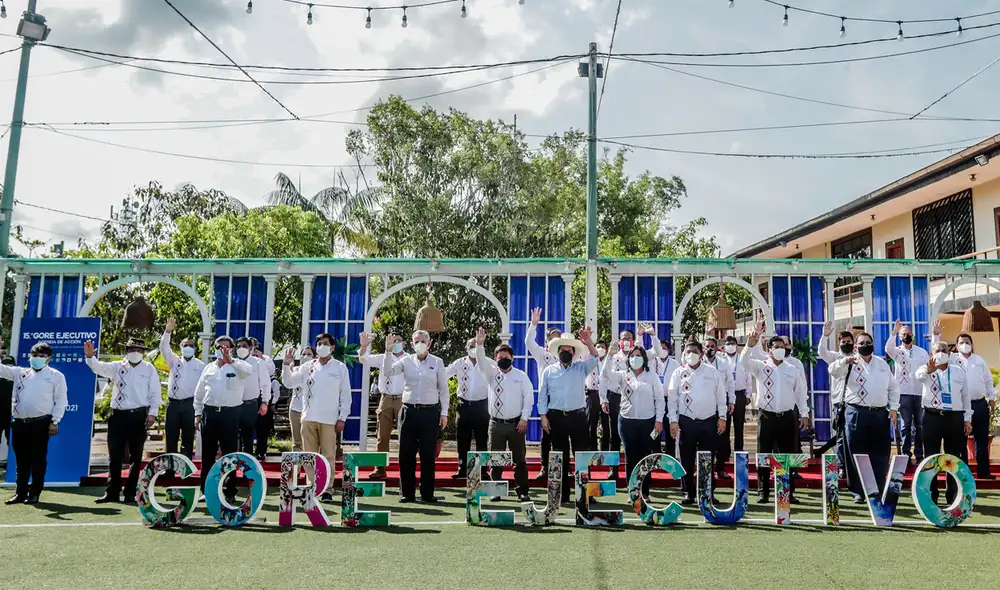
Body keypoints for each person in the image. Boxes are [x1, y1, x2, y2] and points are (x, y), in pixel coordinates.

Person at [85, 338, 161, 504]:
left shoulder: (149, 369)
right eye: (132, 348)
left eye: (139, 349)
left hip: (139, 415)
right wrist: (90, 357)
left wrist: (152, 414)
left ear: (143, 352)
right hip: (118, 415)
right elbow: (98, 367)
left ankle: (130, 492)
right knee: (115, 455)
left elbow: (155, 393)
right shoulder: (117, 366)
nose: (136, 352)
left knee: (136, 456)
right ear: (126, 350)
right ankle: (112, 491)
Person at [829, 332, 900, 504]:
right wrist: (845, 361)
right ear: (855, 346)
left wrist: (894, 408)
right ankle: (858, 492)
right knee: (855, 453)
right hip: (856, 412)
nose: (865, 345)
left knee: (880, 453)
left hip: (880, 413)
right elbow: (832, 370)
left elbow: (893, 387)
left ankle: (877, 489)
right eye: (861, 343)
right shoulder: (849, 362)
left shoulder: (882, 364)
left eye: (868, 342)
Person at [741, 328, 809, 504]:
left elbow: (801, 393)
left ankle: (787, 490)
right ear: (769, 349)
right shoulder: (761, 366)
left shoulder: (792, 369)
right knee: (764, 454)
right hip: (766, 416)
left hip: (787, 416)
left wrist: (804, 413)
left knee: (788, 454)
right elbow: (743, 362)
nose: (779, 349)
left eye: (782, 346)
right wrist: (749, 345)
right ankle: (763, 492)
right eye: (775, 346)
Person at [282, 333, 352, 503]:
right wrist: (286, 365)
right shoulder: (308, 367)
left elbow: (346, 395)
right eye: (319, 343)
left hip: (329, 420)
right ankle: (314, 486)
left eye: (325, 343)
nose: (322, 346)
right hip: (308, 418)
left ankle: (327, 489)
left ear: (332, 347)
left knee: (328, 455)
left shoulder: (340, 368)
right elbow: (289, 383)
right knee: (309, 456)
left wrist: (342, 417)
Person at [382, 330, 449, 503]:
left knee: (428, 455)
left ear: (429, 343)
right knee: (406, 454)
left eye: (422, 341)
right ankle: (407, 493)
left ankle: (427, 493)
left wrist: (444, 413)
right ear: (411, 344)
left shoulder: (437, 362)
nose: (419, 344)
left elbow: (444, 390)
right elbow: (388, 372)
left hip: (430, 412)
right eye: (416, 341)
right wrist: (388, 352)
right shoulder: (406, 361)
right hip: (408, 412)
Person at [537, 326, 599, 503]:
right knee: (560, 456)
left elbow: (595, 357)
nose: (566, 352)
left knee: (581, 456)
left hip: (578, 417)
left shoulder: (581, 368)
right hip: (557, 417)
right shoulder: (549, 371)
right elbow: (542, 395)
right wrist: (543, 417)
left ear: (573, 352)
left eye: (569, 350)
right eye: (563, 349)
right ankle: (563, 494)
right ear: (558, 351)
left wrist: (588, 341)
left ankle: (586, 493)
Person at [0, 341, 66, 504]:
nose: (36, 358)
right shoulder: (20, 373)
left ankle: (35, 492)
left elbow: (61, 400)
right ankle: (20, 492)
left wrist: (55, 421)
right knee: (21, 459)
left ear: (48, 359)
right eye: (34, 355)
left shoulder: (55, 376)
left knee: (37, 459)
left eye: (41, 356)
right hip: (20, 422)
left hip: (41, 423)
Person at [473, 327, 534, 502]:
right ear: (495, 359)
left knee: (519, 460)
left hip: (516, 424)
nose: (503, 361)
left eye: (507, 358)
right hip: (496, 424)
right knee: (496, 459)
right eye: (500, 358)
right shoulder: (490, 374)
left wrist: (524, 419)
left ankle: (522, 491)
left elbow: (528, 399)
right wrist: (480, 344)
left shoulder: (521, 376)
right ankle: (496, 490)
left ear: (512, 358)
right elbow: (481, 361)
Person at [194, 336, 253, 503]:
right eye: (220, 347)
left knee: (230, 455)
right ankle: (207, 490)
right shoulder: (208, 368)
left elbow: (247, 371)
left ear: (232, 349)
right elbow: (199, 394)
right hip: (209, 413)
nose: (223, 349)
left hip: (230, 414)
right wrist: (198, 414)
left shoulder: (239, 366)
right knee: (208, 454)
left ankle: (229, 491)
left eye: (227, 347)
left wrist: (231, 360)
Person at [602, 340, 664, 497]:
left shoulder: (652, 377)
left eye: (638, 356)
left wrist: (659, 420)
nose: (635, 358)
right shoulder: (623, 375)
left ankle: (645, 492)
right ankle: (633, 493)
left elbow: (659, 399)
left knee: (646, 457)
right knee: (630, 457)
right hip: (626, 421)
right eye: (632, 356)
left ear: (644, 358)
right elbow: (606, 374)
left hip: (648, 422)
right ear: (628, 359)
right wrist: (609, 355)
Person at [932, 326, 996, 480]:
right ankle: (963, 473)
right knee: (960, 441)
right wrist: (936, 336)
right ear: (956, 345)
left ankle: (984, 471)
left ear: (972, 344)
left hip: (979, 404)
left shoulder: (979, 360)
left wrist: (992, 396)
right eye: (961, 342)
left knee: (981, 439)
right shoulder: (952, 359)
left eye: (967, 342)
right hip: (960, 406)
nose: (964, 344)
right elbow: (937, 353)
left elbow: (988, 380)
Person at [667, 341, 726, 505]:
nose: (690, 354)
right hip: (686, 422)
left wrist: (722, 417)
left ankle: (708, 492)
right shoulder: (678, 373)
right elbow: (672, 399)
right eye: (688, 351)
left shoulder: (712, 372)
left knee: (708, 459)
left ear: (701, 354)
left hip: (709, 421)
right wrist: (673, 420)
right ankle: (689, 493)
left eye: (694, 351)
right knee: (686, 458)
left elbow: (721, 396)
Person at [916, 340, 972, 504]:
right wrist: (928, 370)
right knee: (931, 457)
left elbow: (965, 397)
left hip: (954, 418)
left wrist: (967, 419)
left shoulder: (958, 372)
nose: (941, 352)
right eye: (937, 350)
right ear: (932, 353)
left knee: (953, 457)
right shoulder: (925, 368)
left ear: (949, 353)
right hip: (931, 417)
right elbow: (918, 377)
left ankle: (952, 493)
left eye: (944, 350)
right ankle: (931, 492)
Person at [359, 329, 407, 479]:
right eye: (393, 340)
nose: (396, 343)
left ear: (404, 343)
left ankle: (406, 470)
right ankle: (380, 469)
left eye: (398, 340)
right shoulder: (382, 357)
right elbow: (364, 359)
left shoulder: (409, 359)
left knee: (406, 436)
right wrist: (364, 346)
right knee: (382, 436)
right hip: (385, 398)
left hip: (403, 399)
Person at [885, 319, 930, 465]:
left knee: (920, 426)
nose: (907, 336)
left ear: (913, 335)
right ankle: (905, 453)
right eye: (904, 334)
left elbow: (929, 369)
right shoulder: (897, 352)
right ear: (900, 337)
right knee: (905, 425)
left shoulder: (922, 352)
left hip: (919, 393)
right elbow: (888, 348)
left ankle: (919, 454)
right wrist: (894, 332)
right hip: (903, 394)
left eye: (909, 333)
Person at [524, 308, 562, 480]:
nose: (556, 341)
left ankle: (564, 468)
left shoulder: (566, 355)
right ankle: (545, 468)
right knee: (546, 434)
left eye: (558, 338)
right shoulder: (542, 354)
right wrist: (534, 325)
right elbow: (528, 342)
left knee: (562, 434)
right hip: (545, 398)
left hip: (563, 398)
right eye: (552, 338)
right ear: (547, 341)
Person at [159, 317, 205, 460]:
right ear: (180, 347)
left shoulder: (201, 365)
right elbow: (163, 348)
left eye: (191, 345)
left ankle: (185, 467)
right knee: (171, 436)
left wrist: (199, 410)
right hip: (173, 404)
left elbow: (203, 389)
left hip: (189, 405)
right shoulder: (174, 360)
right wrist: (168, 332)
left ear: (195, 348)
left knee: (188, 437)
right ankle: (169, 467)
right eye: (185, 345)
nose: (188, 347)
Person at [446, 337, 489, 479]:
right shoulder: (459, 363)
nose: (474, 348)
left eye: (476, 345)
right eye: (471, 345)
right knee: (462, 439)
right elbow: (444, 374)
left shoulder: (487, 363)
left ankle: (482, 470)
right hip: (463, 405)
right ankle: (462, 468)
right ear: (466, 348)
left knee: (482, 440)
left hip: (482, 406)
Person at [816, 322, 854, 481]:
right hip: (839, 402)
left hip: (856, 402)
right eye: (843, 342)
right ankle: (841, 467)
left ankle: (853, 466)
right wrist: (825, 336)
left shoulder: (860, 357)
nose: (846, 344)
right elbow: (821, 351)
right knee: (840, 436)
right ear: (839, 343)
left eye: (848, 341)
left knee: (852, 436)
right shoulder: (835, 357)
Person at [703, 336, 735, 479]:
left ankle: (720, 468)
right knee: (705, 437)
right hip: (704, 403)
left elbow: (730, 383)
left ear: (717, 348)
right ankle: (703, 468)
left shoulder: (723, 363)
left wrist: (731, 401)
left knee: (722, 436)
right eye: (707, 346)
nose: (709, 348)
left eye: (712, 346)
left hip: (721, 403)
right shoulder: (698, 363)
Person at [234, 337, 271, 456]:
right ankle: (232, 470)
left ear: (250, 348)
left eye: (244, 346)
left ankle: (247, 468)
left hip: (250, 404)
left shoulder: (258, 362)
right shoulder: (232, 362)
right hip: (232, 404)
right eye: (238, 346)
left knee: (247, 437)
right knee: (233, 437)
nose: (241, 349)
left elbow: (266, 383)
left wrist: (265, 402)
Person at [721, 335, 751, 457]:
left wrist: (748, 394)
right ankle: (725, 451)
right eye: (728, 344)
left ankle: (739, 449)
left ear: (737, 345)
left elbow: (748, 377)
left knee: (739, 424)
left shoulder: (742, 359)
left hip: (739, 394)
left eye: (732, 343)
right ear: (724, 346)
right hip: (724, 395)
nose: (730, 346)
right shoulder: (721, 360)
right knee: (724, 424)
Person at [286, 346, 314, 452]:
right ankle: (296, 467)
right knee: (297, 442)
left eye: (309, 354)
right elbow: (287, 382)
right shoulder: (295, 370)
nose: (305, 357)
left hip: (311, 410)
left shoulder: (317, 371)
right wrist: (288, 367)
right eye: (303, 354)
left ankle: (311, 467)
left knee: (311, 441)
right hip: (296, 409)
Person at [655, 339, 679, 455]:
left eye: (665, 348)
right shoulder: (651, 362)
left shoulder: (675, 364)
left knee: (670, 427)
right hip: (654, 401)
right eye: (660, 348)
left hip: (669, 400)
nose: (662, 351)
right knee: (655, 429)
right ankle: (655, 454)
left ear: (669, 350)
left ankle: (670, 456)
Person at [585, 341, 606, 451]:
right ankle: (591, 450)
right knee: (591, 425)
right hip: (592, 394)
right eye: (598, 347)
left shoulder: (609, 362)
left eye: (603, 347)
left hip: (606, 397)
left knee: (606, 426)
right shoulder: (590, 361)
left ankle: (605, 451)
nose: (600, 349)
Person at [256, 377, 280, 460]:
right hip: (258, 407)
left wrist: (272, 404)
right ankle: (257, 451)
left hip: (268, 408)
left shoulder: (274, 381)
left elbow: (276, 394)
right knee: (258, 431)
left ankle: (262, 451)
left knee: (264, 431)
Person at [0, 355, 14, 459]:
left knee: (13, 442)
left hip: (12, 416)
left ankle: (12, 466)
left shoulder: (18, 378)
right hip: (6, 415)